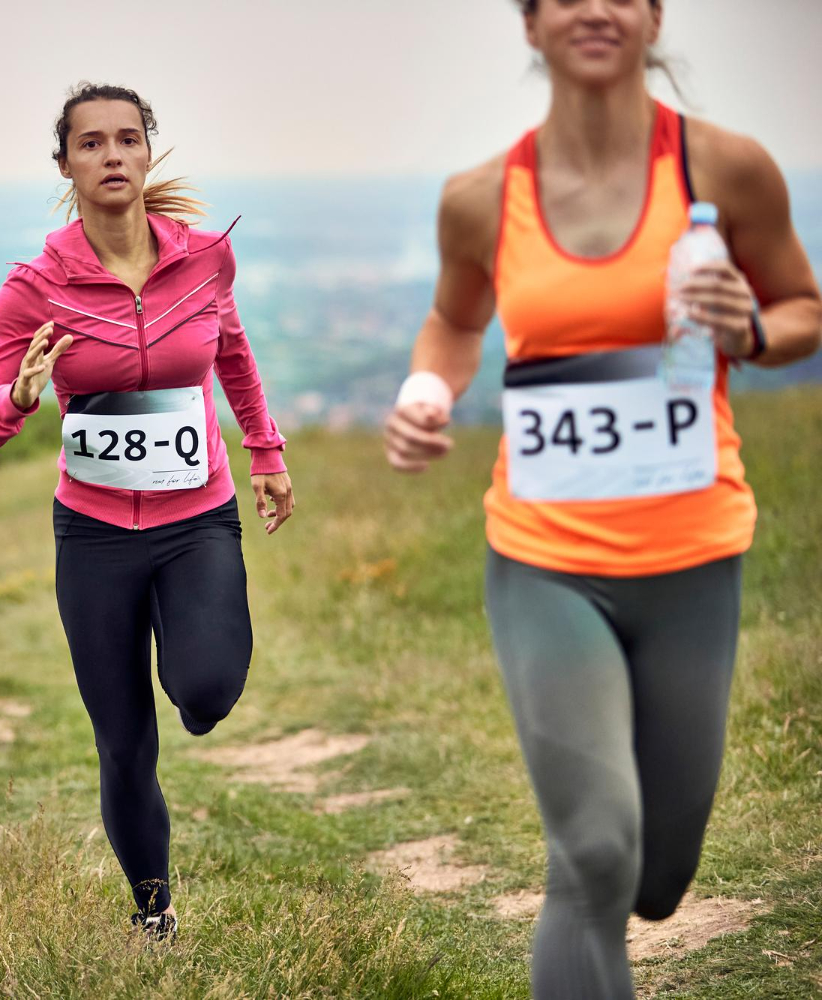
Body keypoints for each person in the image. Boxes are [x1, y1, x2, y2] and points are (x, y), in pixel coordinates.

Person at [384, 2, 821, 996]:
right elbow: (454, 324)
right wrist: (424, 392)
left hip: (692, 553)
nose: (594, 7)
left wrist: (750, 326)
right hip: (544, 556)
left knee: (656, 876)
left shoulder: (725, 169)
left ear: (653, 15)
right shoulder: (482, 197)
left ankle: (611, 871)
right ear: (530, 25)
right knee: (592, 851)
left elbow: (804, 309)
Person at [0, 83, 295, 939]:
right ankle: (153, 910)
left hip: (196, 518)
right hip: (96, 535)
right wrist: (16, 401)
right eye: (91, 143)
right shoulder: (36, 285)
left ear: (148, 153)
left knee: (205, 692)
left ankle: (196, 682)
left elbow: (233, 353)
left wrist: (265, 451)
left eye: (126, 139)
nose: (111, 154)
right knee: (124, 743)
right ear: (64, 164)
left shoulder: (205, 257)